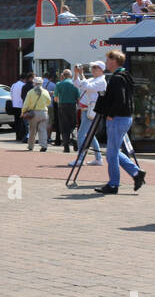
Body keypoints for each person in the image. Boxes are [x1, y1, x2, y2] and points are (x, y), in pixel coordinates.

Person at [93, 50, 146, 195]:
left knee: (111, 154)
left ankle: (113, 184)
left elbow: (120, 99)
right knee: (113, 151)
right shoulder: (125, 76)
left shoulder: (117, 78)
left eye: (108, 60)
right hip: (125, 118)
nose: (106, 63)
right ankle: (136, 173)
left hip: (117, 118)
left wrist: (111, 114)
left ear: (114, 61)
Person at [76, 61, 106, 166]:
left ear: (101, 69)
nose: (92, 69)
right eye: (92, 67)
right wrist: (76, 74)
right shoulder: (94, 79)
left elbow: (86, 86)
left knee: (80, 135)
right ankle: (98, 159)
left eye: (95, 67)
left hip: (91, 110)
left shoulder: (101, 81)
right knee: (90, 134)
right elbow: (78, 84)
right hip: (88, 110)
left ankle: (80, 159)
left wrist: (81, 74)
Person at [23, 76, 51, 152]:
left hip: (34, 113)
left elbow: (26, 104)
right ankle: (44, 145)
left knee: (32, 130)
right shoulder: (45, 92)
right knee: (43, 130)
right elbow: (49, 102)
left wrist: (23, 112)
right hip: (44, 112)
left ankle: (31, 146)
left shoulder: (31, 92)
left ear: (34, 83)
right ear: (41, 83)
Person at [55, 68, 80, 153]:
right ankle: (75, 140)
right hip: (73, 105)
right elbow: (78, 98)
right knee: (73, 125)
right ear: (71, 75)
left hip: (62, 106)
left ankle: (66, 147)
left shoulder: (59, 84)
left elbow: (55, 98)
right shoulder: (75, 84)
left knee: (64, 126)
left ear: (63, 75)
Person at [8, 74, 27, 143]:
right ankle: (21, 135)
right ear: (24, 79)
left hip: (14, 105)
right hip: (21, 105)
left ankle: (17, 136)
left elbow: (11, 94)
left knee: (17, 122)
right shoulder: (23, 85)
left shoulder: (13, 85)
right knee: (22, 122)